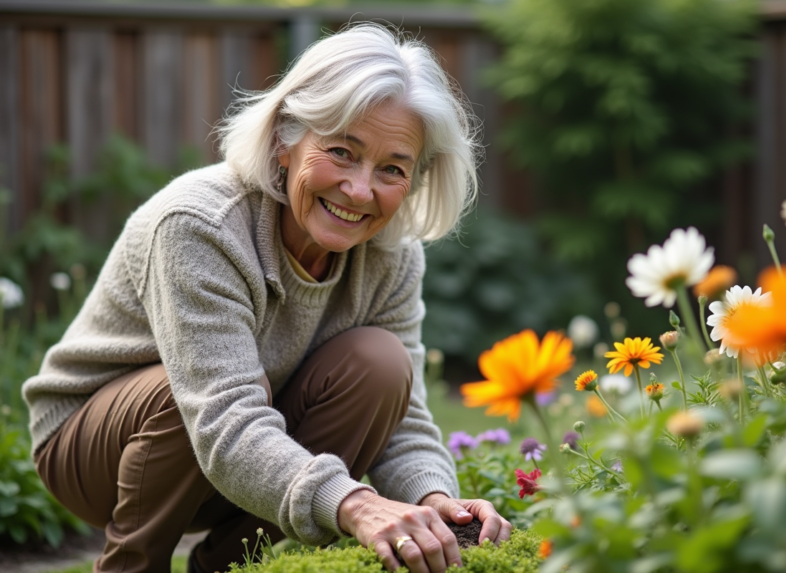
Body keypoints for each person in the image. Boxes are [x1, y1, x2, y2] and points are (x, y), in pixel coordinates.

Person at [23, 24, 511, 573]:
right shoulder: (201, 225)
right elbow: (221, 414)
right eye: (341, 152)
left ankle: (228, 566)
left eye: (392, 169)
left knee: (381, 364)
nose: (359, 190)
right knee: (178, 390)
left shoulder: (391, 253)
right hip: (96, 451)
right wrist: (356, 504)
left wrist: (434, 501)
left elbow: (403, 415)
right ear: (285, 139)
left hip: (239, 449)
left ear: (416, 179)